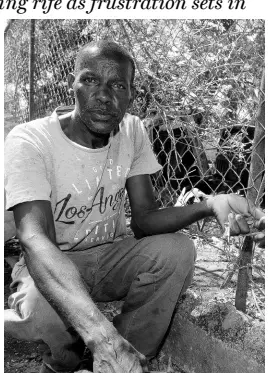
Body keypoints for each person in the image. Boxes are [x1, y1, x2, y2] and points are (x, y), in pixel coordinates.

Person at [4, 40, 264, 373]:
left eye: (117, 85)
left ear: (130, 95)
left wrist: (211, 205)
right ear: (73, 84)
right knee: (42, 309)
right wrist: (101, 338)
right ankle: (66, 362)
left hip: (111, 257)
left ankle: (129, 360)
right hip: (53, 261)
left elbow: (145, 220)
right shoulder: (30, 140)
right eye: (91, 80)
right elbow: (35, 240)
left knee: (176, 250)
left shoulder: (132, 131)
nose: (104, 96)